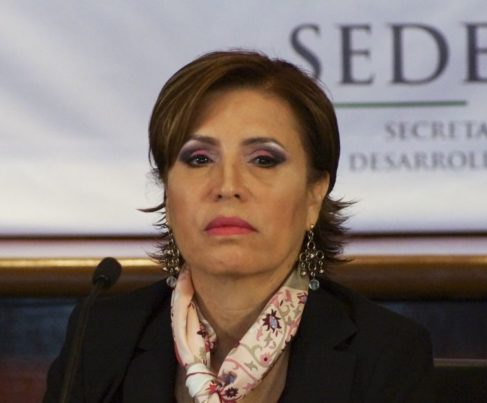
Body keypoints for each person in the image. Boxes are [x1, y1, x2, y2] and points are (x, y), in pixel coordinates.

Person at [44, 50, 434, 402]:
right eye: (199, 159)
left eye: (263, 160)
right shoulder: (99, 338)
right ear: (167, 190)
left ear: (314, 195)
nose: (227, 186)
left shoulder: (385, 353)